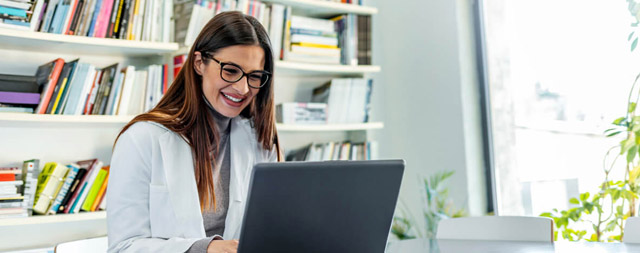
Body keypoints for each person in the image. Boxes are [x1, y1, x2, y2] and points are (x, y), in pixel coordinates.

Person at [106, 11, 281, 253]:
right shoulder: (142, 139)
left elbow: (268, 231)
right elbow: (123, 247)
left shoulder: (259, 141)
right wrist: (204, 249)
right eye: (230, 71)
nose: (242, 88)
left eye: (254, 76)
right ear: (199, 63)